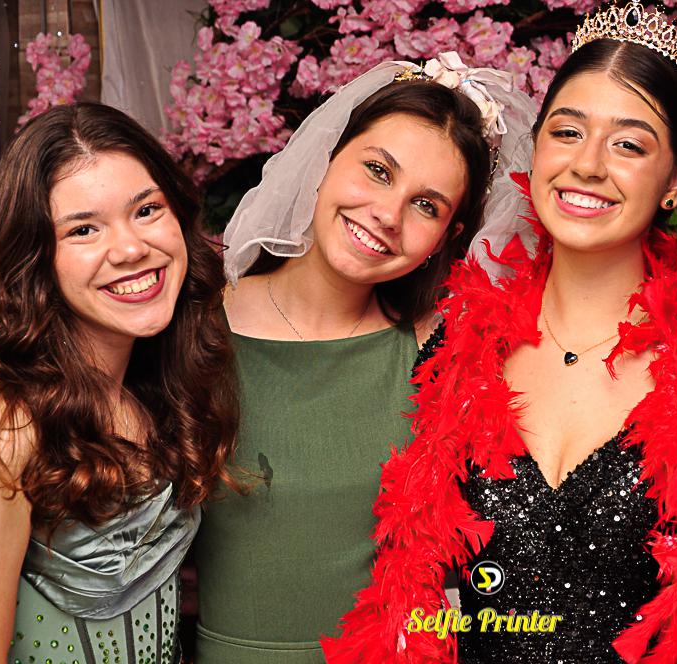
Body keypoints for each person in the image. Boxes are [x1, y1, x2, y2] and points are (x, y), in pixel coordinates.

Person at [321, 4, 677, 663]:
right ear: (538, 150)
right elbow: (426, 587)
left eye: (628, 144)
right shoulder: (456, 347)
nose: (587, 164)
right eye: (567, 132)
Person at [192, 53, 534, 664]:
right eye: (378, 171)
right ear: (326, 158)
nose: (388, 214)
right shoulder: (195, 330)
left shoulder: (441, 356)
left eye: (427, 205)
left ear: (449, 238)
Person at [0, 102, 239, 664]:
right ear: (35, 258)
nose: (129, 249)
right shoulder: (6, 421)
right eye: (83, 229)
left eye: (146, 210)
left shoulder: (153, 390)